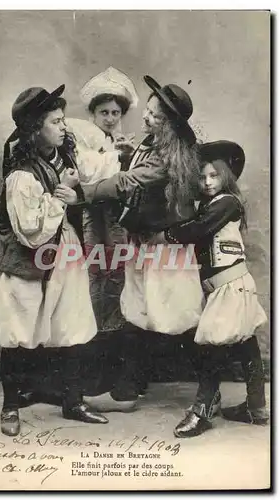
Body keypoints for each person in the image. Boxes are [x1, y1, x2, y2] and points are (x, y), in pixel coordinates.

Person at [67, 75, 205, 412]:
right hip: (149, 245)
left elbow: (127, 182)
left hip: (166, 248)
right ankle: (127, 388)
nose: (146, 117)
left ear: (168, 124)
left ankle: (210, 391)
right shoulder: (154, 144)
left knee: (183, 318)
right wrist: (128, 154)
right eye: (148, 110)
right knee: (139, 312)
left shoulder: (167, 156)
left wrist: (81, 194)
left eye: (155, 116)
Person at [0, 84, 108, 437]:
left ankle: (73, 401)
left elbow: (94, 182)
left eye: (63, 120)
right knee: (19, 332)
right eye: (56, 121)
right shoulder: (21, 175)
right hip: (28, 261)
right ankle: (10, 407)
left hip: (64, 255)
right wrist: (61, 194)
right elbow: (32, 233)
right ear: (35, 129)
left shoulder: (64, 160)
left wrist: (75, 190)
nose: (64, 127)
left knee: (72, 326)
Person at [160, 140, 268, 437]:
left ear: (226, 177)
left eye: (213, 176)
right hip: (228, 285)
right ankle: (256, 406)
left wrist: (167, 233)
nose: (207, 182)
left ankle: (202, 411)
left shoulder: (228, 203)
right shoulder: (210, 205)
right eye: (202, 177)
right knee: (245, 342)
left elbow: (199, 229)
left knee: (210, 347)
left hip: (230, 285)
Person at [66, 67, 137, 340]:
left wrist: (126, 157)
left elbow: (128, 181)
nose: (109, 118)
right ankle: (95, 331)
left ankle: (115, 328)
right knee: (95, 268)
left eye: (115, 113)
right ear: (92, 115)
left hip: (117, 213)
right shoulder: (83, 140)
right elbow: (88, 175)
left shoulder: (121, 142)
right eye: (104, 112)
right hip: (91, 211)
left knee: (118, 266)